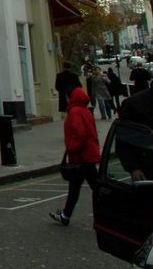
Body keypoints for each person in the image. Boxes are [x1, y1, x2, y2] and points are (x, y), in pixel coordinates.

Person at [49, 87, 100, 226]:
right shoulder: (86, 111)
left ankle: (108, 214)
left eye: (67, 97)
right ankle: (66, 215)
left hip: (81, 156)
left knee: (91, 188)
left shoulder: (74, 112)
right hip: (88, 154)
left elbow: (80, 134)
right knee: (79, 188)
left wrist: (71, 148)